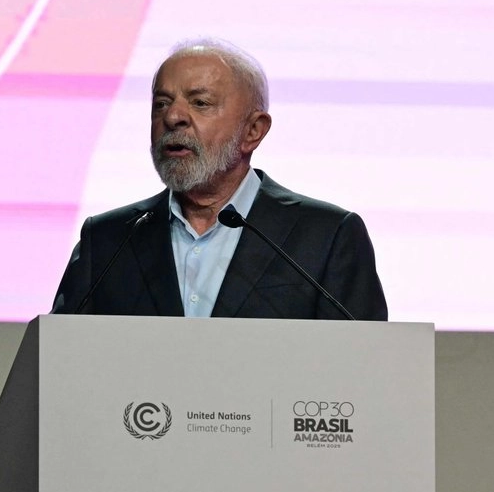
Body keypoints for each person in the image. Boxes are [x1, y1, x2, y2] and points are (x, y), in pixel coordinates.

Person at [52, 39, 387, 321]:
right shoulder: (109, 240)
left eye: (200, 103)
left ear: (253, 131)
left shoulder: (327, 237)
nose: (173, 116)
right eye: (161, 104)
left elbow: (364, 363)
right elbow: (58, 359)